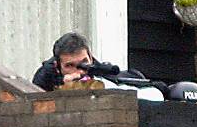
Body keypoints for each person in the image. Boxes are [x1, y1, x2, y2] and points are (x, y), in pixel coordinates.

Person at [33, 32, 166, 101]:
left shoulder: (96, 73)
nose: (79, 72)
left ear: (90, 57)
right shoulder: (45, 78)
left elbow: (153, 93)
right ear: (57, 66)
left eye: (83, 63)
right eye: (70, 66)